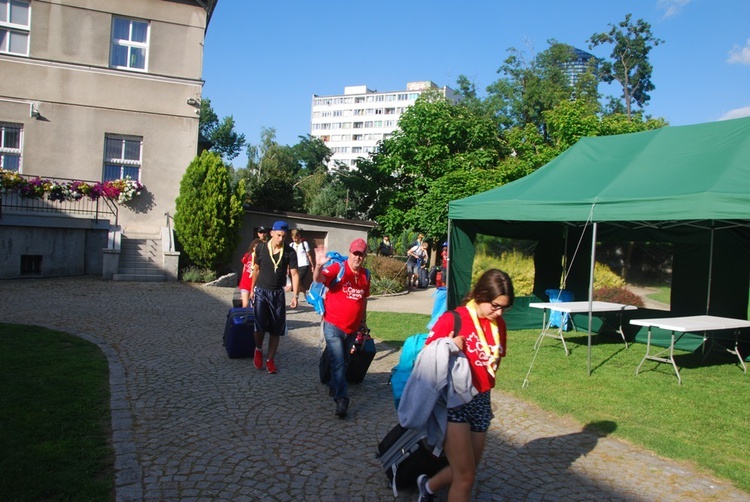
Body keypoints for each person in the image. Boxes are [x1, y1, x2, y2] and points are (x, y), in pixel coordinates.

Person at [416, 269, 514, 502]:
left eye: (503, 307)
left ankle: (427, 487)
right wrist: (449, 344)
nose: (499, 312)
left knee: (468, 469)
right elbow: (425, 358)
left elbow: (493, 362)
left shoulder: (498, 324)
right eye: (495, 305)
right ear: (481, 294)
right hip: (454, 401)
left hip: (481, 400)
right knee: (466, 476)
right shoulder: (454, 318)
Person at [313, 238, 371, 418]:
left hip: (352, 329)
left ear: (365, 256)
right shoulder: (339, 268)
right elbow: (319, 278)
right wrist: (318, 266)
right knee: (338, 360)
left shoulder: (366, 275)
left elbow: (363, 300)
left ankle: (333, 384)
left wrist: (363, 321)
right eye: (355, 253)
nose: (357, 257)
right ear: (350, 252)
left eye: (361, 254)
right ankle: (341, 399)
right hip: (333, 325)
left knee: (344, 360)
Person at [251, 220, 299, 374]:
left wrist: (295, 295)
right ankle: (258, 349)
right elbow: (256, 269)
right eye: (278, 235)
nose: (280, 239)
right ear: (272, 233)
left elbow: (294, 273)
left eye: (283, 237)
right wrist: (252, 289)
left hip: (278, 293)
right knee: (259, 327)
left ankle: (270, 360)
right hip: (261, 291)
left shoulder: (290, 252)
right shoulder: (260, 248)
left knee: (276, 330)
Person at [290, 229, 313, 298]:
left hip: (303, 264)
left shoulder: (304, 244)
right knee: (296, 282)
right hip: (295, 265)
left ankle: (295, 296)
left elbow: (309, 255)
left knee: (298, 280)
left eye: (296, 238)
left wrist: (312, 266)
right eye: (293, 238)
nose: (295, 240)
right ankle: (305, 292)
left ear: (299, 236)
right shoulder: (291, 245)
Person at [239, 238, 261, 308]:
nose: (256, 249)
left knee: (254, 306)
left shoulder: (261, 259)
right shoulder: (248, 255)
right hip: (245, 283)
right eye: (255, 247)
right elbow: (244, 267)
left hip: (255, 285)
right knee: (245, 304)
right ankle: (243, 317)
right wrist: (242, 278)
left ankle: (252, 318)